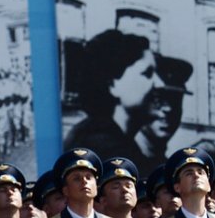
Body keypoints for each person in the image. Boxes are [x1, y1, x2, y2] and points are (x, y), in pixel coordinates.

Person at [64, 31, 158, 175]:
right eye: (147, 73)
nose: (159, 84)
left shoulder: (98, 135)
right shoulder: (108, 151)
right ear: (113, 85)